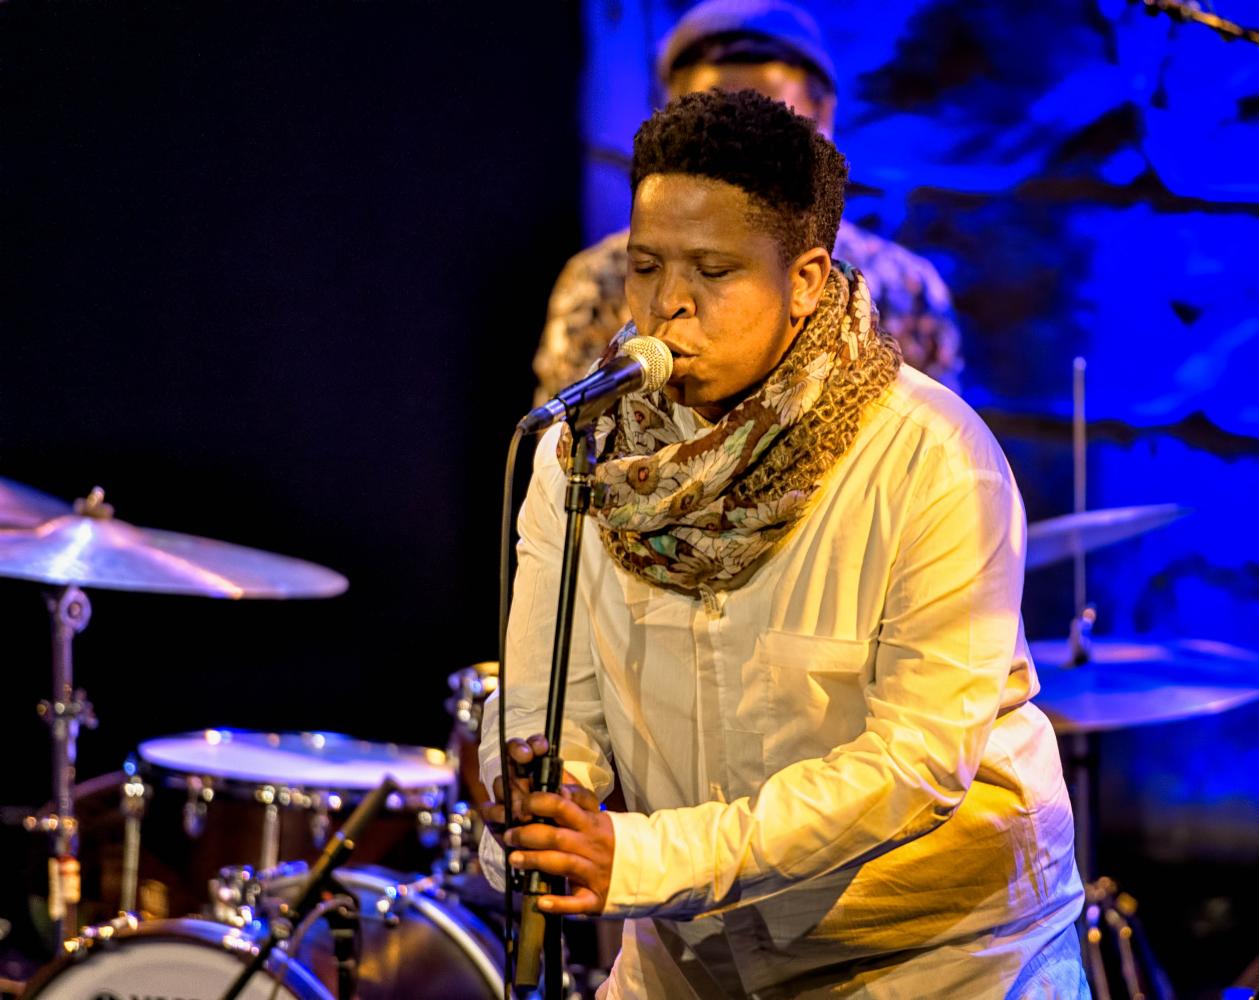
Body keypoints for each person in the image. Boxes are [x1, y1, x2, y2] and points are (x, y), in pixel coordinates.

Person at [481, 88, 1086, 998]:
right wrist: (541, 796)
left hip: (940, 960)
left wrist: (643, 856)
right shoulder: (583, 454)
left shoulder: (932, 457)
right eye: (646, 266)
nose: (668, 305)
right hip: (691, 952)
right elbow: (547, 706)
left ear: (803, 280)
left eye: (714, 271)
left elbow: (911, 766)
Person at [532, 0, 963, 408]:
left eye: (774, 122)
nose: (738, 150)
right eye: (710, 119)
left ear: (824, 115)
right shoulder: (599, 282)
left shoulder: (906, 291)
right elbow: (566, 451)